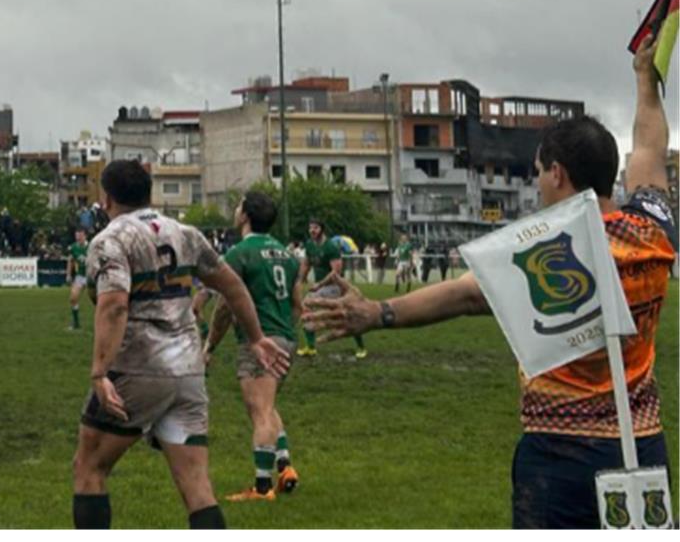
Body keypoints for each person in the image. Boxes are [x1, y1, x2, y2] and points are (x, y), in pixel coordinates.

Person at [305, 33, 675, 529]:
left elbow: (465, 296)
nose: (538, 181)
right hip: (642, 446)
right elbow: (650, 149)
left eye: (540, 171)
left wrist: (376, 313)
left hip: (559, 457)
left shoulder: (541, 252)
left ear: (559, 174)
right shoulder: (650, 234)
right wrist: (644, 81)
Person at [71, 160, 290, 530]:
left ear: (105, 198)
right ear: (149, 193)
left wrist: (98, 371)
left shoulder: (109, 240)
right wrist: (256, 338)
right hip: (188, 372)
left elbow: (114, 305)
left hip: (138, 369)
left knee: (89, 468)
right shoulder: (185, 233)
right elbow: (233, 285)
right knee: (197, 487)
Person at [204, 192, 302, 501]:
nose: (235, 210)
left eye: (238, 206)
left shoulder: (240, 253)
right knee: (268, 406)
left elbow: (223, 307)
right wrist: (286, 333)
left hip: (258, 341)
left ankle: (262, 488)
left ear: (245, 216)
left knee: (259, 412)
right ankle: (285, 466)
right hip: (285, 338)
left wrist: (209, 346)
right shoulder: (287, 256)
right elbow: (298, 305)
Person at [298, 219, 366, 359]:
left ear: (322, 229)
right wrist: (301, 278)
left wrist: (319, 284)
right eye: (310, 228)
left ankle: (361, 347)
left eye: (315, 228)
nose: (312, 231)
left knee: (347, 317)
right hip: (321, 287)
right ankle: (311, 348)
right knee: (306, 308)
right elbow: (306, 263)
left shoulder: (331, 247)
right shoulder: (310, 245)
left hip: (334, 287)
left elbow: (335, 273)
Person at [66, 229, 89, 330]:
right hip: (80, 276)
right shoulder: (73, 247)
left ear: (85, 236)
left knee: (100, 301)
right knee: (73, 298)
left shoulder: (92, 246)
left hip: (91, 276)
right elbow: (70, 261)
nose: (78, 238)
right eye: (77, 236)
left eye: (80, 236)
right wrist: (68, 274)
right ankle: (76, 324)